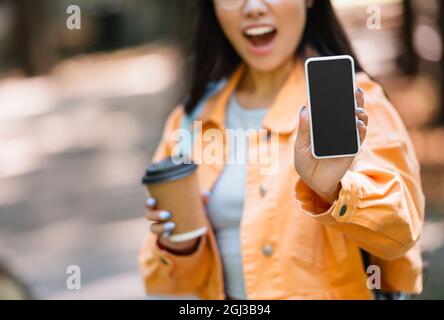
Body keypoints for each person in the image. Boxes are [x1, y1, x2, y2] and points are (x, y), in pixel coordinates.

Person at [139, 0, 425, 300]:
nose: (252, 7)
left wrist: (333, 191)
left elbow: (402, 234)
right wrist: (180, 244)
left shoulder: (353, 104)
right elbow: (165, 281)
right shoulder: (190, 120)